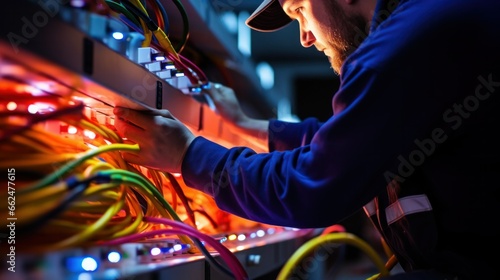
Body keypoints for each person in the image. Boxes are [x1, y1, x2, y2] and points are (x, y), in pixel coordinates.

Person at [114, 0, 500, 278]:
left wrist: (189, 157)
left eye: (298, 9)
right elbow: (353, 142)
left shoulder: (401, 46)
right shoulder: (432, 19)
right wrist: (246, 126)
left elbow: (316, 185)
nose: (303, 37)